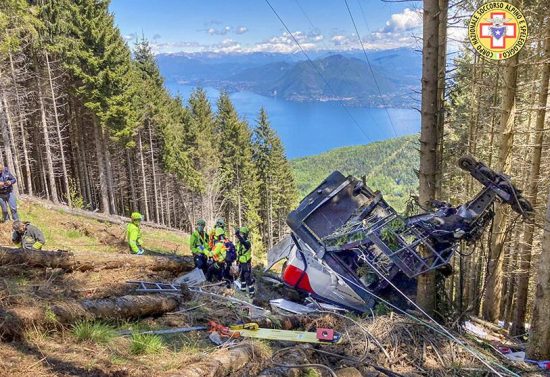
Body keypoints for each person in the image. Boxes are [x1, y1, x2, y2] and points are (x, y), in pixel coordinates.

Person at [235, 226, 255, 295]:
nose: (241, 235)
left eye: (242, 234)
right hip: (241, 262)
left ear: (245, 234)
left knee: (247, 277)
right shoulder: (239, 243)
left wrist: (238, 235)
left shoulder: (247, 242)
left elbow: (244, 243)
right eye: (240, 233)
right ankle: (243, 289)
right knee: (242, 277)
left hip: (246, 262)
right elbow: (238, 251)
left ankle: (252, 292)